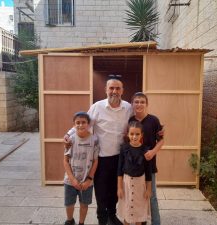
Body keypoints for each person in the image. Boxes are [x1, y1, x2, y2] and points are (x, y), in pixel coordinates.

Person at [64, 78, 133, 225]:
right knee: (101, 191)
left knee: (115, 189)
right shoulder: (97, 107)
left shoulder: (128, 107)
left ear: (122, 91)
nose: (114, 91)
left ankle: (112, 215)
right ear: (106, 90)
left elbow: (136, 124)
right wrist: (69, 134)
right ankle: (102, 218)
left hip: (120, 157)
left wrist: (157, 130)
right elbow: (85, 124)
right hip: (101, 158)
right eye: (111, 88)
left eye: (118, 88)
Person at [129, 92, 164, 225]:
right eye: (136, 102)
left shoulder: (154, 120)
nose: (139, 104)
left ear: (147, 104)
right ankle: (140, 220)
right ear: (132, 104)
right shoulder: (130, 120)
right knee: (137, 195)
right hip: (134, 166)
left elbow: (161, 140)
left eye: (142, 102)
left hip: (149, 164)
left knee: (151, 195)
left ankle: (156, 222)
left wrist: (153, 151)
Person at [63, 112, 99, 225]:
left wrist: (89, 179)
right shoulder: (71, 140)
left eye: (83, 122)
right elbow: (65, 161)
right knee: (69, 203)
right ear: (74, 125)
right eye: (77, 123)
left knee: (84, 204)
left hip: (86, 181)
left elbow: (95, 161)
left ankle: (81, 222)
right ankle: (69, 220)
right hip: (70, 181)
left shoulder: (94, 140)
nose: (80, 125)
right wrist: (72, 179)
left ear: (88, 124)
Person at [117, 121, 152, 225]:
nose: (134, 137)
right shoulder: (124, 148)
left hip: (140, 185)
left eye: (137, 134)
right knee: (126, 210)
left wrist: (148, 189)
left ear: (142, 135)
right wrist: (119, 187)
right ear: (128, 134)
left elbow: (148, 171)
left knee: (139, 212)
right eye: (132, 134)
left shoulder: (146, 150)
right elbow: (119, 169)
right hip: (126, 183)